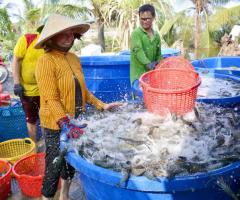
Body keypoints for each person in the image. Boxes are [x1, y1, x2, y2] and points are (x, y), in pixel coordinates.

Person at [34, 14, 122, 200]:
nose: (69, 36)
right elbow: (50, 97)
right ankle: (47, 197)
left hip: (76, 120)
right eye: (63, 33)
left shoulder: (74, 58)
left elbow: (83, 90)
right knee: (54, 164)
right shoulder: (45, 61)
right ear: (51, 38)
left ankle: (64, 196)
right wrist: (65, 122)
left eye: (71, 33)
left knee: (71, 161)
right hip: (54, 123)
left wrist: (102, 105)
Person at [12, 25, 45, 142]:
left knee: (46, 118)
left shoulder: (54, 45)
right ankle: (34, 147)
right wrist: (16, 83)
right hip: (27, 90)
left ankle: (47, 146)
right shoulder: (27, 39)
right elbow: (16, 60)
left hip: (45, 90)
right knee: (31, 120)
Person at [130, 4, 162, 83]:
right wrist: (149, 64)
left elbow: (159, 54)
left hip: (152, 76)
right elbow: (138, 52)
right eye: (142, 19)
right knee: (139, 95)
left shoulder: (156, 36)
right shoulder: (136, 34)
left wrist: (160, 64)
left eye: (147, 19)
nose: (144, 21)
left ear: (154, 17)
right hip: (138, 76)